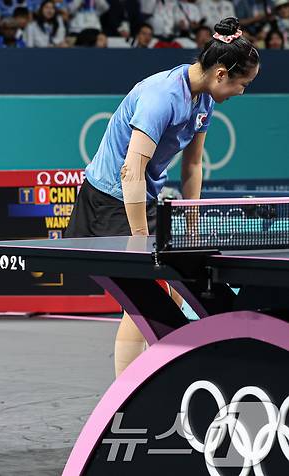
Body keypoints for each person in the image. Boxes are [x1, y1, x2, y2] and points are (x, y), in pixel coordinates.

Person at [64, 17, 259, 378]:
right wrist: (139, 238)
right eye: (242, 84)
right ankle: (125, 394)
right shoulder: (161, 97)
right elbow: (131, 172)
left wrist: (192, 217)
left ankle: (161, 374)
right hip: (111, 197)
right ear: (220, 74)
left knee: (172, 291)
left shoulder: (204, 101)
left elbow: (194, 165)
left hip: (144, 196)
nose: (242, 92)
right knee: (144, 296)